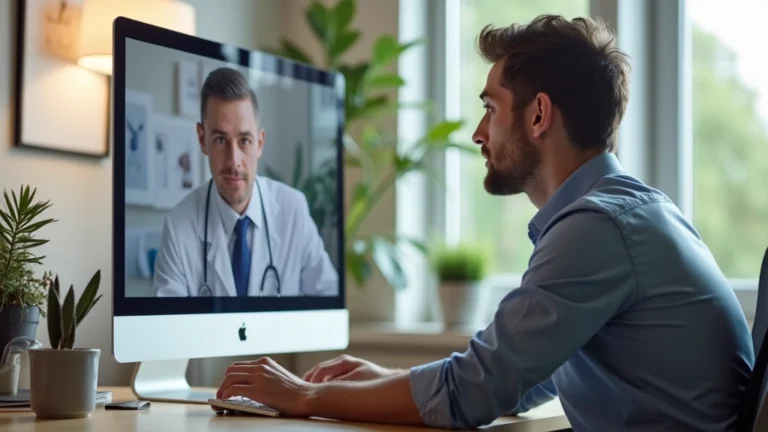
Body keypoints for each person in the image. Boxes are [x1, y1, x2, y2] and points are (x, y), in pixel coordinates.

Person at [214, 15, 754, 430]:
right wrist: (387, 380)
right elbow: (520, 374)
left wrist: (306, 397)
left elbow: (474, 392)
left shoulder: (598, 228)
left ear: (539, 115)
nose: (478, 132)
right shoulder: (628, 211)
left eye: (491, 108)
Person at [153, 67, 339, 297]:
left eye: (244, 140)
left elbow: (328, 300)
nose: (234, 161)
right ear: (202, 139)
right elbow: (168, 329)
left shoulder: (293, 210)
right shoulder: (178, 227)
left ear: (260, 143)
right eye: (220, 140)